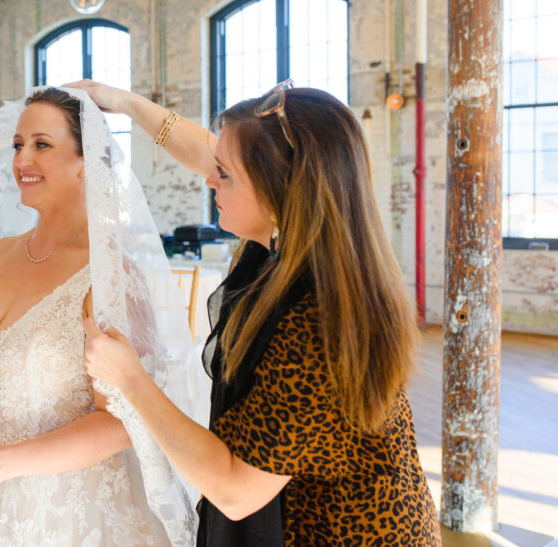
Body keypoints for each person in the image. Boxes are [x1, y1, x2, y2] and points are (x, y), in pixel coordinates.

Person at [72, 78, 441, 546]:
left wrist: (130, 379)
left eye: (224, 174)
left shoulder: (316, 322)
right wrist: (126, 103)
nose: (209, 179)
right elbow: (208, 154)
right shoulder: (289, 240)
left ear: (275, 191)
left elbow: (235, 489)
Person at [0, 87, 198, 546]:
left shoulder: (108, 275)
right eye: (17, 145)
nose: (21, 159)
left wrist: (3, 462)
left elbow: (128, 420)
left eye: (41, 145)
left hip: (74, 513)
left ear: (86, 162)